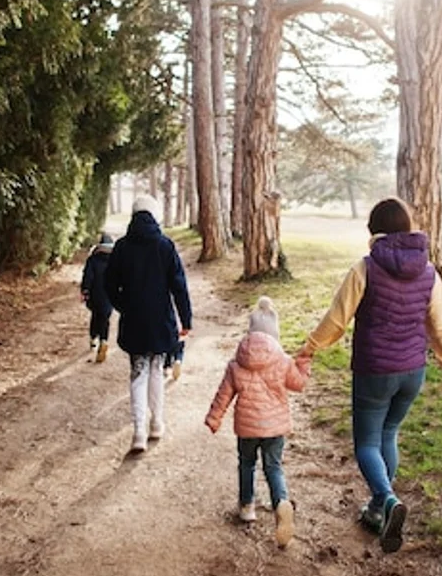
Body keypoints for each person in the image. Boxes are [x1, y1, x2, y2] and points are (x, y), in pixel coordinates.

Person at [296, 197, 442, 554]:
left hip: (375, 371)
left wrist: (310, 347)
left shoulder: (366, 267)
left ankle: (388, 501)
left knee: (366, 443)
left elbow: (337, 319)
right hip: (412, 372)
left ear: (374, 231)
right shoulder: (429, 272)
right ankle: (378, 511)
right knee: (389, 434)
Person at [205, 296, 311, 548]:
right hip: (275, 429)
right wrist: (304, 363)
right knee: (273, 467)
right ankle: (280, 504)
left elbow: (224, 394)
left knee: (247, 464)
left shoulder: (236, 363)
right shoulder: (283, 360)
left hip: (247, 428)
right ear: (275, 335)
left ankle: (246, 506)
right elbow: (299, 384)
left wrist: (214, 417)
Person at [104, 195, 193, 453]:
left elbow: (109, 284)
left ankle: (139, 432)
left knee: (137, 373)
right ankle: (157, 423)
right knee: (157, 371)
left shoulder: (121, 247)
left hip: (134, 320)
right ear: (155, 215)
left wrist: (123, 305)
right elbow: (179, 286)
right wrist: (185, 320)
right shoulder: (165, 245)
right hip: (160, 320)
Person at [80, 232, 115, 363]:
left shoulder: (93, 259)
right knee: (105, 318)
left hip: (95, 294)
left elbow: (87, 277)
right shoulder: (115, 260)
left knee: (96, 316)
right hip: (110, 295)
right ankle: (104, 340)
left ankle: (93, 338)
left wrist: (85, 290)